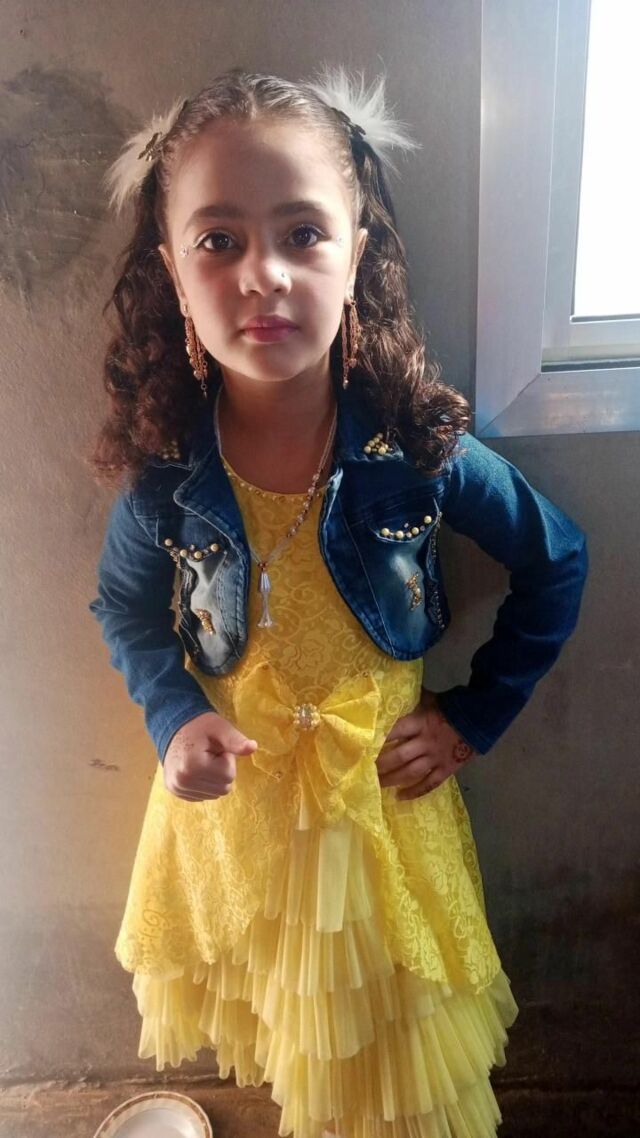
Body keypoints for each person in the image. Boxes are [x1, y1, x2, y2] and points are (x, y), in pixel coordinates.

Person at [87, 65, 589, 1138]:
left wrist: (471, 717)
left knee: (398, 1067)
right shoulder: (167, 475)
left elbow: (557, 561)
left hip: (380, 822)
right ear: (174, 272)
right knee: (298, 1044)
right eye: (219, 241)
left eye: (303, 234)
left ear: (356, 254)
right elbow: (123, 610)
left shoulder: (419, 453)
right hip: (246, 826)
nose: (262, 274)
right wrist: (175, 718)